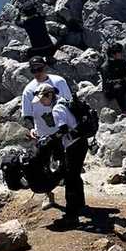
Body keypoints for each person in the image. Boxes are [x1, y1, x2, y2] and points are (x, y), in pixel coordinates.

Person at [31, 83, 87, 226]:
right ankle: (80, 205)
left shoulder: (56, 109)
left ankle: (71, 216)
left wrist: (49, 140)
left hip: (74, 145)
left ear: (50, 95)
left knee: (70, 178)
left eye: (43, 99)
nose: (42, 102)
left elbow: (63, 130)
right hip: (81, 142)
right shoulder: (62, 102)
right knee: (75, 175)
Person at [20, 57, 71, 132]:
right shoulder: (28, 90)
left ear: (45, 67)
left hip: (67, 127)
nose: (37, 73)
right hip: (45, 133)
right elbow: (27, 115)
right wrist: (32, 129)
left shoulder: (59, 82)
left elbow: (70, 103)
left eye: (39, 69)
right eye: (33, 70)